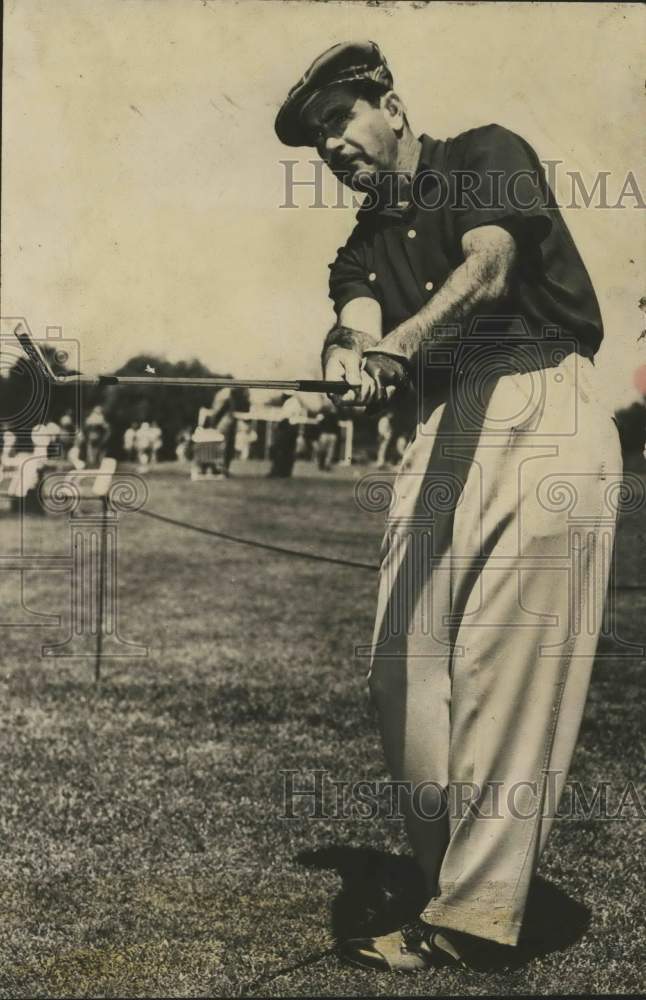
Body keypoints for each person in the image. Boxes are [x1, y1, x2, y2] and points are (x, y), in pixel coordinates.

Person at [275, 41, 622, 970]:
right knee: (403, 665)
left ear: (387, 104)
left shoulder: (480, 153)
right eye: (315, 141)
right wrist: (351, 360)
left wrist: (401, 343)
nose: (332, 147)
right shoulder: (360, 240)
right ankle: (444, 881)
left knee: (511, 662)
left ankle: (474, 916)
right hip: (440, 419)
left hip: (542, 396)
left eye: (339, 120)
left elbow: (491, 265)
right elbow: (353, 320)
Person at [315, 405, 340, 471]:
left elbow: (319, 424)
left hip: (324, 434)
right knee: (330, 451)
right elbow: (337, 427)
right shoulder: (336, 417)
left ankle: (321, 464)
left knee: (322, 451)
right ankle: (327, 465)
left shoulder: (323, 415)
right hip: (332, 435)